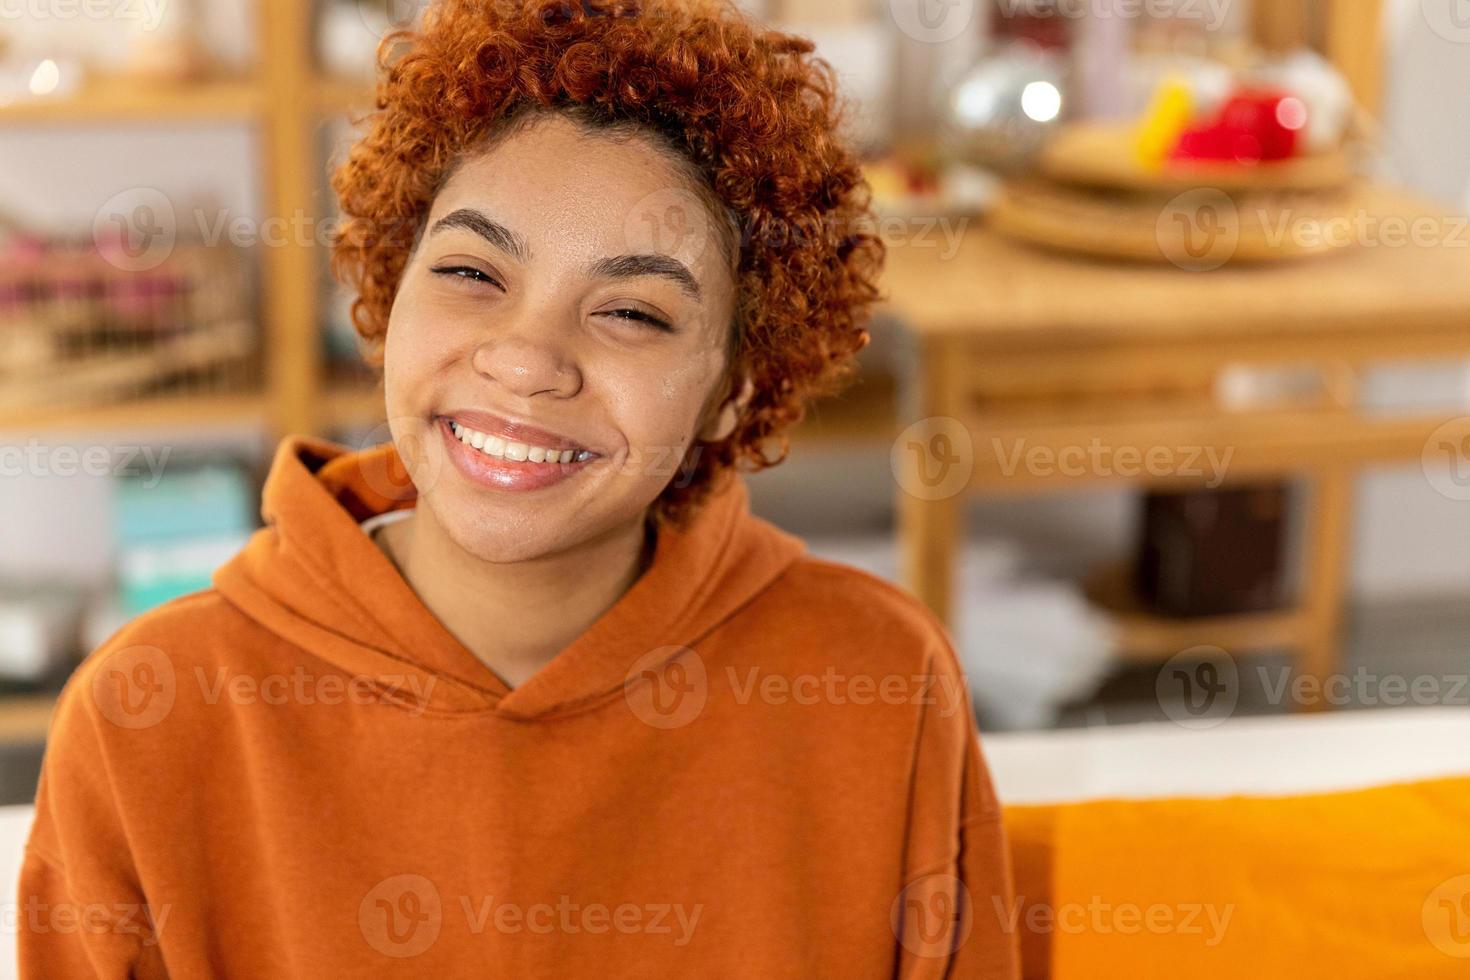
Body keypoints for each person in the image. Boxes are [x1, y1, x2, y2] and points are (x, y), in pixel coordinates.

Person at [19, 0, 1021, 975]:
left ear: (730, 391)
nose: (528, 360)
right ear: (386, 289)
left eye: (631, 310)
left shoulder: (880, 682)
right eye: (472, 272)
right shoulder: (146, 717)